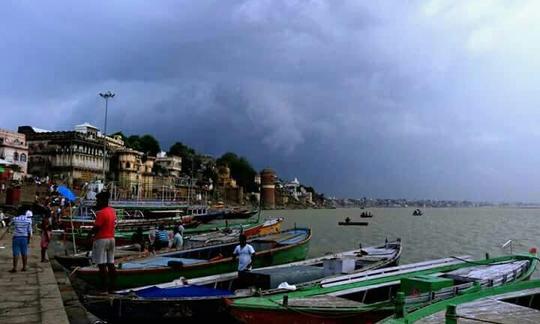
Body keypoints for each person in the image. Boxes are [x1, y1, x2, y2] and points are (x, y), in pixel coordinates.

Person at [91, 190, 116, 292]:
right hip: (112, 239)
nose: (97, 202)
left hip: (101, 239)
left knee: (101, 265)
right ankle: (113, 286)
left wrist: (89, 235)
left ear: (102, 200)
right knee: (111, 263)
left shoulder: (101, 213)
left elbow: (96, 227)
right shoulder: (112, 211)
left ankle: (104, 288)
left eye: (98, 200)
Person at [10, 208, 33, 273]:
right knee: (24, 253)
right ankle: (24, 267)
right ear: (25, 213)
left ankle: (14, 268)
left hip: (16, 237)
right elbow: (29, 230)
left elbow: (9, 224)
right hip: (24, 238)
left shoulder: (15, 219)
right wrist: (30, 239)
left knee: (15, 253)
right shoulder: (28, 220)